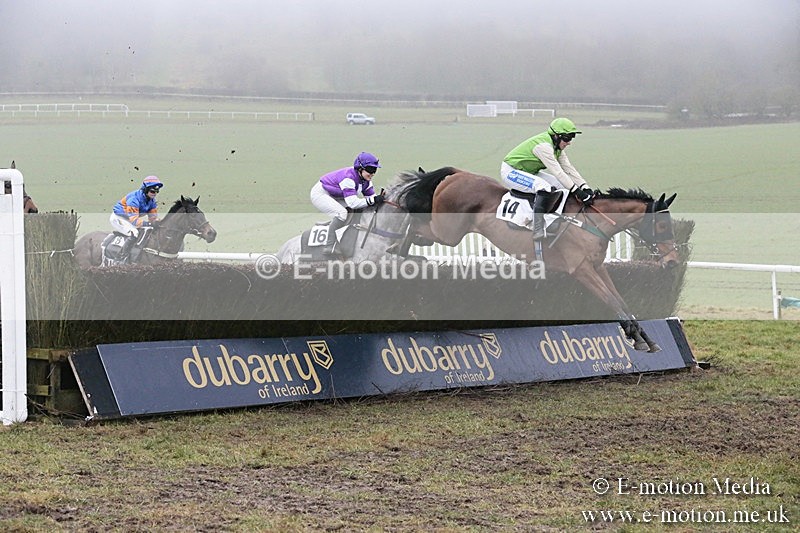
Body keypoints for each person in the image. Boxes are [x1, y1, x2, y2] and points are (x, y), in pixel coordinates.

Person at [501, 117, 595, 240]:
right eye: (567, 138)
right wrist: (578, 192)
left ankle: (553, 220)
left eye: (572, 137)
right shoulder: (544, 147)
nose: (569, 142)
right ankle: (538, 229)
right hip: (511, 171)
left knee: (560, 186)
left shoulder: (557, 148)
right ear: (556, 136)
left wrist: (585, 187)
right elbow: (559, 172)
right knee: (544, 187)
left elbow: (569, 168)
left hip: (529, 172)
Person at [310, 152, 385, 254]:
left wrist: (380, 200)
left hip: (336, 194)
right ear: (360, 168)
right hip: (321, 194)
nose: (372, 174)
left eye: (374, 170)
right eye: (370, 170)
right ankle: (329, 246)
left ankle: (339, 229)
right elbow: (353, 203)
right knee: (342, 213)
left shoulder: (366, 181)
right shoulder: (349, 178)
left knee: (357, 210)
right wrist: (373, 200)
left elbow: (371, 200)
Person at [110, 176, 163, 261]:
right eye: (152, 191)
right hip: (119, 218)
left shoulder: (152, 201)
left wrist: (159, 222)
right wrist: (149, 223)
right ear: (145, 189)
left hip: (130, 219)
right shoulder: (134, 199)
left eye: (157, 191)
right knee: (134, 233)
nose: (155, 193)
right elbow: (135, 221)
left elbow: (153, 219)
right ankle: (120, 259)